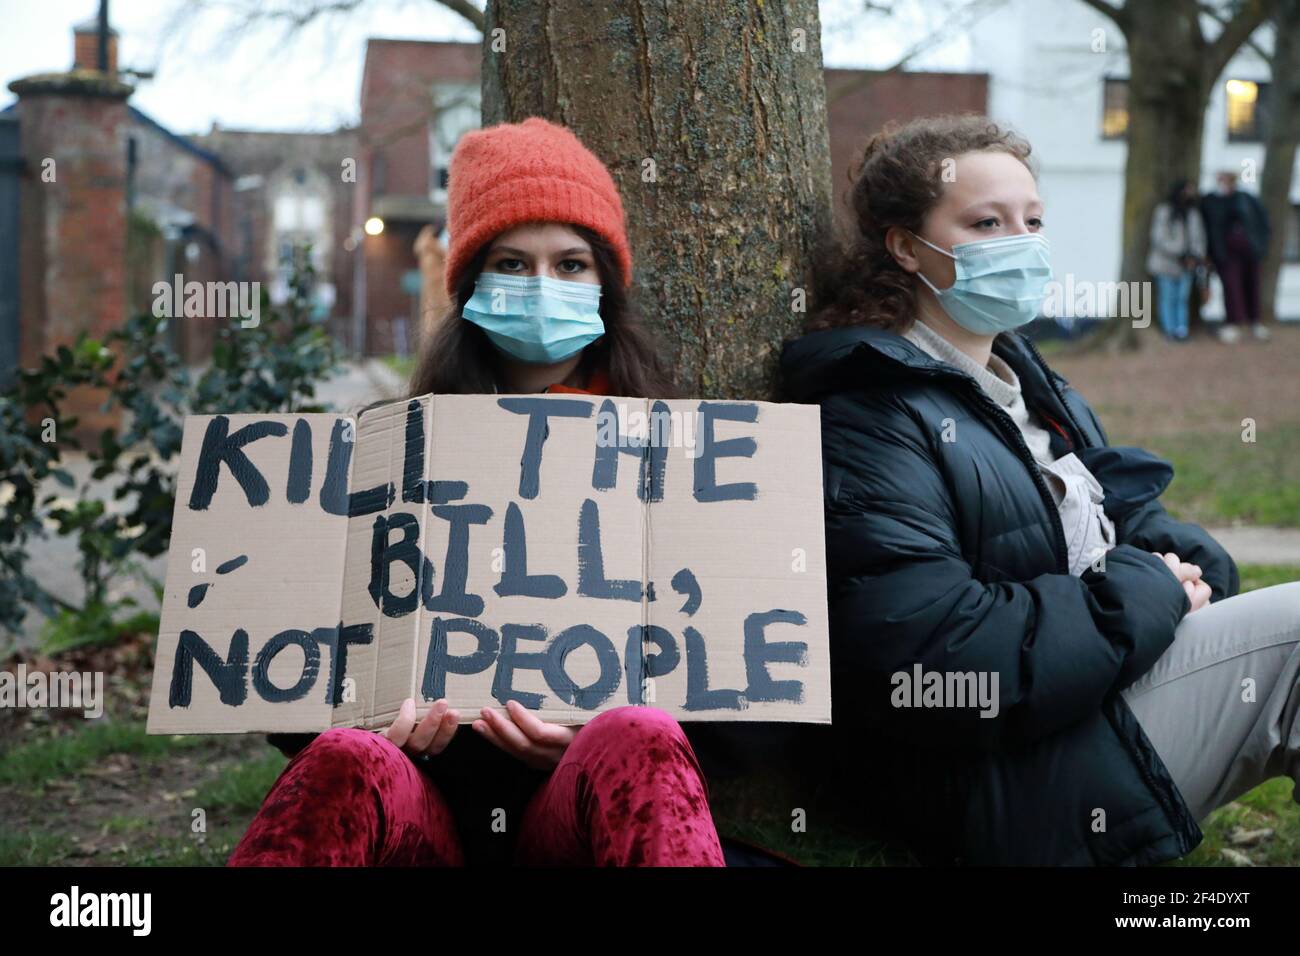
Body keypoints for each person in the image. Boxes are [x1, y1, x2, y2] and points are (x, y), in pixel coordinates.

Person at [781, 113, 1300, 866]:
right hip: (1009, 779)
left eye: (1032, 221)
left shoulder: (1017, 377)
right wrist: (1147, 592)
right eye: (986, 223)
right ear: (905, 247)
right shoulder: (872, 411)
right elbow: (937, 660)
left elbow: (1122, 514)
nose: (1020, 244)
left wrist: (1192, 570)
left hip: (1093, 698)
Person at [227, 117, 725, 867]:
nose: (542, 288)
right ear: (470, 285)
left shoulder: (679, 460)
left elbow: (746, 690)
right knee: (340, 759)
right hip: (430, 819)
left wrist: (591, 730)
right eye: (512, 263)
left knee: (640, 736)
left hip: (583, 820)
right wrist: (373, 723)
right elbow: (297, 682)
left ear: (605, 284)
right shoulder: (386, 454)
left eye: (571, 264)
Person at [1200, 170, 1271, 343]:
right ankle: (1233, 322)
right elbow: (1208, 227)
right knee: (1231, 287)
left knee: (1252, 285)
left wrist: (1259, 246)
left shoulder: (1246, 199)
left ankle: (1254, 321)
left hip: (1249, 252)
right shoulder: (1211, 201)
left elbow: (1262, 222)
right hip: (1225, 253)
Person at [1146, 179, 1207, 341]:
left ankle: (1181, 330)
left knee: (1182, 298)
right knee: (1168, 297)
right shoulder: (1164, 212)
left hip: (1187, 265)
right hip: (1166, 264)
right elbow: (1159, 238)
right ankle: (1169, 329)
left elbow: (1199, 238)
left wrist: (1194, 256)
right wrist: (1179, 253)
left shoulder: (1193, 214)